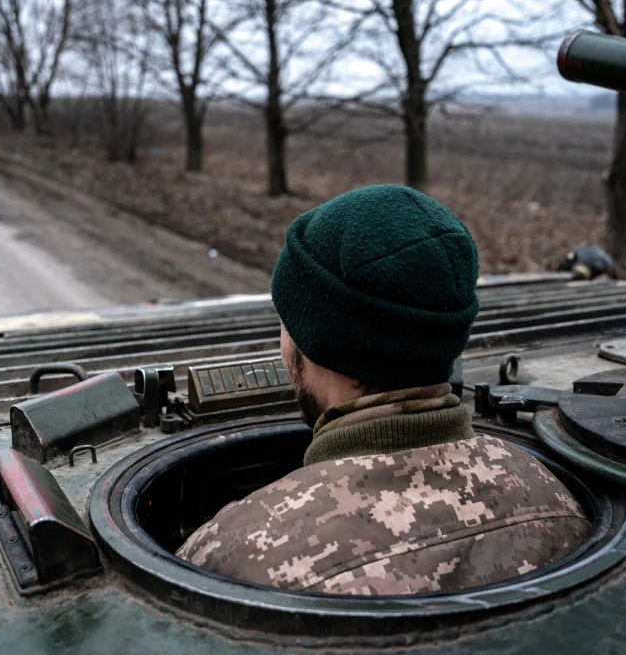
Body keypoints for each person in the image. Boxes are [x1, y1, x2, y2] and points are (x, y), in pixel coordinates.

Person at [176, 184, 591, 595]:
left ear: (318, 343)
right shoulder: (556, 500)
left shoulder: (233, 556)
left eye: (286, 318)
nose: (281, 340)